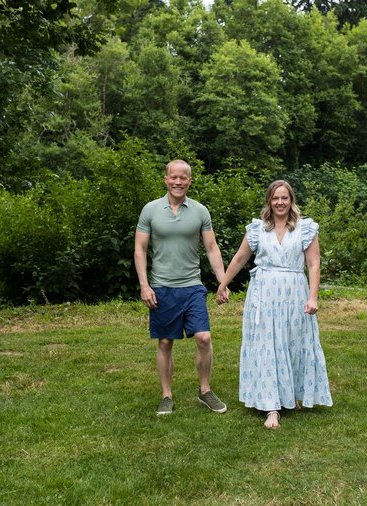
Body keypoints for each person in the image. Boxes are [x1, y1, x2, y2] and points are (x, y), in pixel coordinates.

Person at [216, 180, 332, 429]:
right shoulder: (258, 229)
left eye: (285, 198)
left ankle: (290, 395)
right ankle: (272, 407)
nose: (280, 202)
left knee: (293, 343)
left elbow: (313, 264)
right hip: (264, 295)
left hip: (294, 294)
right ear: (269, 201)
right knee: (268, 344)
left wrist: (313, 297)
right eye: (275, 198)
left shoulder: (305, 229)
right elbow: (239, 259)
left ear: (291, 201)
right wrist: (223, 284)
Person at [134, 159, 228, 415]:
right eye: (173, 177)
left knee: (204, 337)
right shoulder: (150, 210)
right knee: (165, 342)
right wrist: (144, 285)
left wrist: (223, 281)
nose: (178, 182)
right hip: (162, 287)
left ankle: (205, 390)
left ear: (189, 181)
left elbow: (211, 247)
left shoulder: (200, 211)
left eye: (183, 178)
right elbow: (140, 249)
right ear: (166, 179)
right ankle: (166, 395)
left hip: (192, 286)